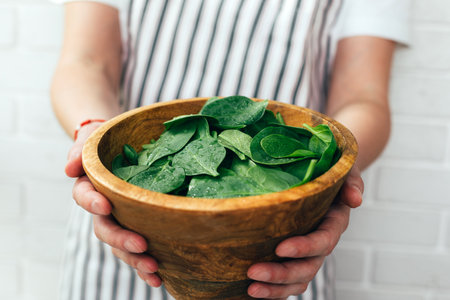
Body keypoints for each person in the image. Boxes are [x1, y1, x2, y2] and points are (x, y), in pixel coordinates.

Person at [50, 0, 410, 299]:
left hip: (280, 238)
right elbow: (85, 62)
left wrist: (335, 172)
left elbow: (363, 97)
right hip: (124, 225)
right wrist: (92, 132)